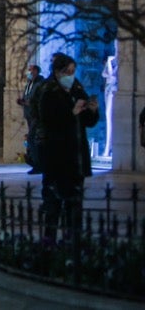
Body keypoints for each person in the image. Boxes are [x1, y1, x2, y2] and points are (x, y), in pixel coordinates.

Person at [38, 52, 99, 241]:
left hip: (76, 158)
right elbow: (49, 120)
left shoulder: (77, 88)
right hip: (57, 157)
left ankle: (72, 241)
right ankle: (49, 242)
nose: (70, 76)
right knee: (54, 204)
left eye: (73, 71)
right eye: (67, 72)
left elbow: (88, 122)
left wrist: (92, 111)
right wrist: (71, 112)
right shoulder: (49, 91)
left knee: (74, 205)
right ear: (57, 72)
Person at [19, 61, 45, 173]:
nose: (29, 72)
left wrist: (28, 102)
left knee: (32, 138)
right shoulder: (29, 83)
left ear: (36, 71)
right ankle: (34, 161)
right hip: (29, 114)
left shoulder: (39, 83)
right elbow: (28, 96)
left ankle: (37, 163)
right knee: (31, 138)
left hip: (35, 115)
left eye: (31, 70)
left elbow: (35, 99)